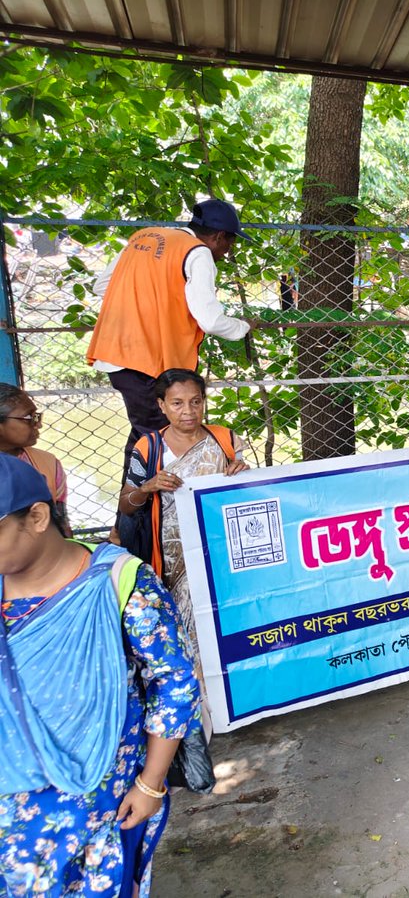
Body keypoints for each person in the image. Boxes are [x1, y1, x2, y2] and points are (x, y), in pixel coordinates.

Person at [0, 453, 201, 896]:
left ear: (36, 517)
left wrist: (151, 784)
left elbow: (175, 681)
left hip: (98, 797)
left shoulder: (118, 581)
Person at [117, 369, 249, 730]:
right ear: (161, 405)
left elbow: (252, 493)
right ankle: (200, 715)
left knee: (224, 627)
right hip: (172, 559)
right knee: (187, 633)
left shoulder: (224, 439)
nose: (188, 411)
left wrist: (244, 473)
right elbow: (127, 505)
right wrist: (147, 487)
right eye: (177, 403)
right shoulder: (149, 448)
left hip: (219, 554)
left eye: (196, 401)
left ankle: (233, 704)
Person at [87, 199, 254, 471]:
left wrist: (152, 303)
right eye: (229, 244)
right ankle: (159, 511)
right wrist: (243, 327)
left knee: (145, 439)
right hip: (148, 362)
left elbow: (102, 285)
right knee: (164, 445)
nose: (226, 252)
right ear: (218, 237)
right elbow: (210, 320)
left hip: (115, 353)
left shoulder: (146, 237)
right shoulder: (197, 252)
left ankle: (131, 509)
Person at [0, 385, 70, 535]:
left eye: (37, 416)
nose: (39, 424)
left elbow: (61, 524)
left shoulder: (49, 463)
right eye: (29, 418)